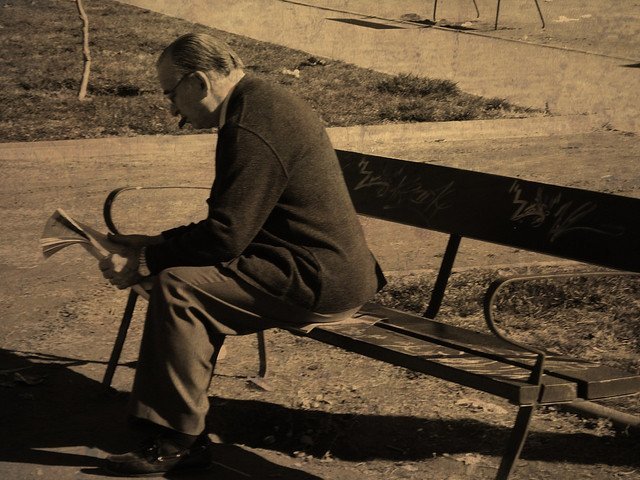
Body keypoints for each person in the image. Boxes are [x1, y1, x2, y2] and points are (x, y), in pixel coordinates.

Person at [99, 32, 386, 476]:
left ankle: (177, 441)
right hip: (303, 265)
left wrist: (145, 263)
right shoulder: (256, 103)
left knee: (180, 289)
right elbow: (236, 221)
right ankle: (175, 426)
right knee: (181, 279)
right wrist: (155, 242)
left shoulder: (251, 123)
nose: (172, 109)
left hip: (319, 278)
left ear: (198, 82)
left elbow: (226, 236)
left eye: (170, 94)